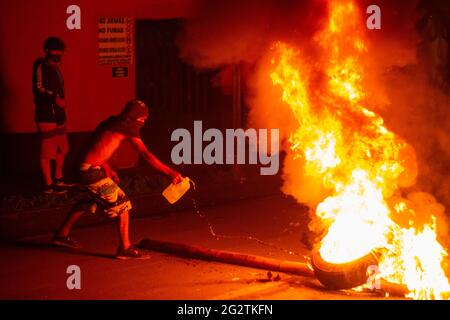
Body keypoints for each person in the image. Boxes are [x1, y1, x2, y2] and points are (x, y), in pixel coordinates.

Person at [53, 99, 182, 259]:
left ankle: (61, 234)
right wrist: (170, 172)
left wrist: (107, 168)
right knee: (122, 204)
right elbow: (145, 154)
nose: (144, 121)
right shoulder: (128, 128)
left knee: (90, 200)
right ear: (134, 117)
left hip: (84, 167)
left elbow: (96, 145)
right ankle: (125, 248)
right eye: (142, 118)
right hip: (90, 172)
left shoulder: (111, 121)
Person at [32, 36, 74, 194]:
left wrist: (60, 106)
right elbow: (39, 87)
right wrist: (54, 98)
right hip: (45, 115)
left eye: (61, 51)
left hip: (59, 115)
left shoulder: (55, 67)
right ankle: (49, 185)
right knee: (47, 151)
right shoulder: (40, 66)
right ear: (48, 50)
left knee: (61, 148)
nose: (59, 54)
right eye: (56, 50)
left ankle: (59, 179)